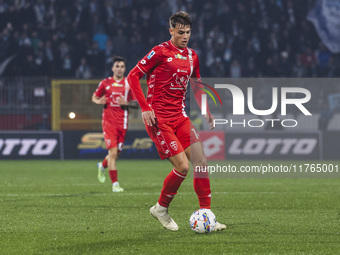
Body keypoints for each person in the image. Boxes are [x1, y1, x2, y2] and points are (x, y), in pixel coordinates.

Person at [127, 11, 226, 231]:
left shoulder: (192, 56)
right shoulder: (159, 52)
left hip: (180, 117)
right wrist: (145, 108)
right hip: (159, 119)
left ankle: (207, 215)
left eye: (188, 32)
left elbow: (197, 84)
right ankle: (160, 209)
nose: (185, 36)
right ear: (171, 30)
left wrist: (206, 110)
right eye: (180, 32)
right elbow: (132, 76)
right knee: (182, 167)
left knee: (201, 163)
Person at [92, 56, 138, 192]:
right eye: (117, 66)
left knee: (116, 154)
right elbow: (94, 97)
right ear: (112, 68)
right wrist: (98, 101)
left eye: (122, 66)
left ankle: (101, 165)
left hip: (122, 123)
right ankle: (115, 184)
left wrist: (127, 103)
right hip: (108, 122)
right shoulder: (105, 83)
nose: (119, 69)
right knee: (112, 153)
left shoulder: (129, 84)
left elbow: (136, 103)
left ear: (125, 69)